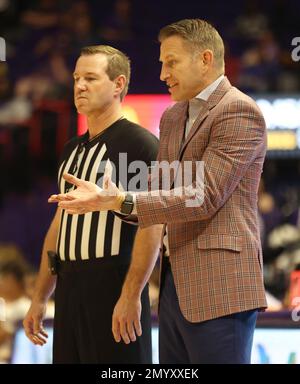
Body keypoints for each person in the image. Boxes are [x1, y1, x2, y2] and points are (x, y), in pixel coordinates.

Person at [49, 19, 268, 364]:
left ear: (205, 59)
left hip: (221, 286)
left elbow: (204, 195)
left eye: (172, 62)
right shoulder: (173, 116)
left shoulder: (238, 110)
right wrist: (108, 201)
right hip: (172, 286)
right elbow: (157, 193)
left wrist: (119, 199)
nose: (163, 73)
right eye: (162, 63)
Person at [23, 45, 161, 364]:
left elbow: (153, 223)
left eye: (90, 78)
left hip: (113, 282)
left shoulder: (139, 144)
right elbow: (60, 223)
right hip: (70, 286)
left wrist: (130, 295)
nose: (80, 86)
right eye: (76, 78)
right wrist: (41, 296)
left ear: (118, 84)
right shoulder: (71, 149)